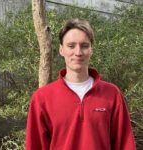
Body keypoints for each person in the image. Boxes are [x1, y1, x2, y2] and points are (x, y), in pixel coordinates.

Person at [25, 18, 136, 150]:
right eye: (71, 46)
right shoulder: (42, 97)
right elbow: (34, 146)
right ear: (61, 50)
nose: (78, 52)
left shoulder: (112, 94)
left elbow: (124, 144)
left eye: (84, 46)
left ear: (91, 50)